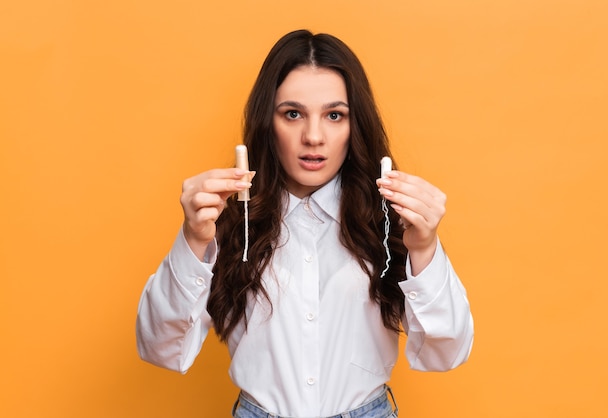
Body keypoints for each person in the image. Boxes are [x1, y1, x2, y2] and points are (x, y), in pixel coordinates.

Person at [136, 29, 474, 418]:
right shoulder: (230, 220)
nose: (313, 137)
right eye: (293, 114)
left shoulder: (388, 221)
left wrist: (425, 249)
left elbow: (447, 352)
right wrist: (193, 240)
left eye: (334, 115)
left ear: (354, 125)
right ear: (269, 122)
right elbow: (159, 347)